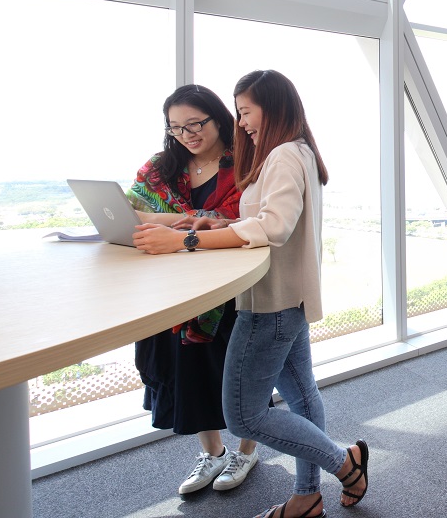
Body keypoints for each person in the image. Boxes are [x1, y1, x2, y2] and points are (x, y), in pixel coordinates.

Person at [133, 70, 367, 518]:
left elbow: (272, 228)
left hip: (270, 305)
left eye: (244, 113)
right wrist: (212, 224)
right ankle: (307, 495)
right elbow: (265, 219)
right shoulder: (295, 152)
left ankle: (346, 463)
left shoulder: (282, 156)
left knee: (243, 417)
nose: (241, 123)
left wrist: (188, 241)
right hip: (289, 300)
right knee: (302, 399)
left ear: (272, 107)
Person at [126, 84, 260, 494]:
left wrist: (166, 221)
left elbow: (236, 221)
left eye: (195, 124)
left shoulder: (246, 163)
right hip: (173, 288)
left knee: (236, 374)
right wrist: (179, 220)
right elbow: (133, 210)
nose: (187, 135)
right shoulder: (162, 166)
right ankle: (214, 453)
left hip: (230, 286)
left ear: (219, 118)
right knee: (187, 374)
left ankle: (246, 450)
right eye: (176, 128)